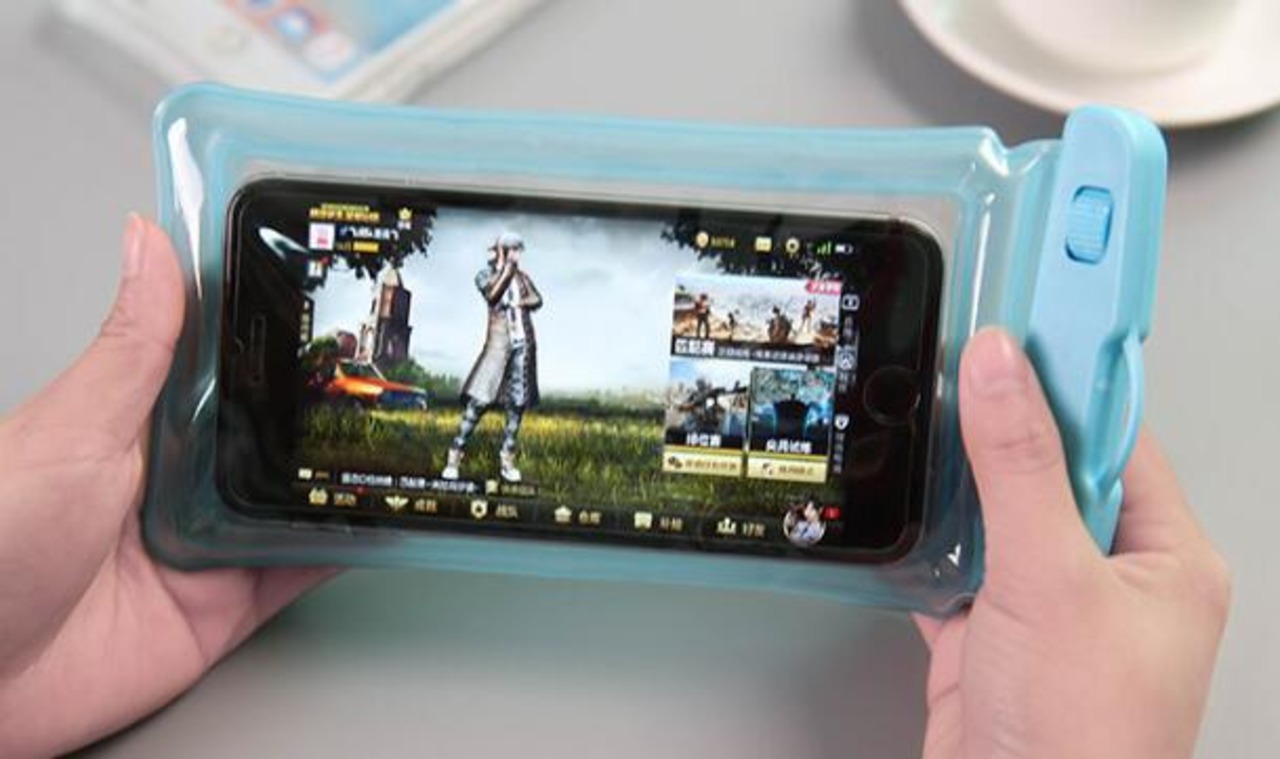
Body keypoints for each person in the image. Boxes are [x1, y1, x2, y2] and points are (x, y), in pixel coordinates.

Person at [0, 218, 1230, 758]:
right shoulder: (488, 291)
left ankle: (494, 462)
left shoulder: (523, 294)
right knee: (475, 405)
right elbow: (494, 298)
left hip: (519, 354)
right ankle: (460, 460)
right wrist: (494, 276)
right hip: (490, 350)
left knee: (513, 417)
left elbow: (529, 300)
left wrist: (517, 280)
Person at [441, 231, 543, 483]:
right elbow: (493, 295)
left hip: (522, 346)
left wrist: (518, 302)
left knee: (517, 405)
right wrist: (505, 270)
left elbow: (537, 299)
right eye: (514, 249)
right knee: (478, 403)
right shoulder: (485, 275)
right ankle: (454, 456)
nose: (518, 255)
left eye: (519, 250)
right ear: (503, 251)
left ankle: (507, 460)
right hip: (497, 348)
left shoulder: (522, 277)